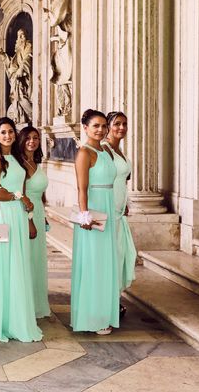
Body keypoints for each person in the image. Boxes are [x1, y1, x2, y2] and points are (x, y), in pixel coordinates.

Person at [0, 117, 42, 343]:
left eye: (11, 132)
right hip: (4, 214)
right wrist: (19, 196)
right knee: (5, 265)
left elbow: (23, 188)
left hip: (19, 214)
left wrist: (30, 219)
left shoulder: (17, 158)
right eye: (3, 132)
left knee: (19, 265)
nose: (8, 135)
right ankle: (2, 320)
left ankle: (18, 317)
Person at [71, 109, 120, 335]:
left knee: (105, 263)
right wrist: (84, 216)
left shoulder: (106, 150)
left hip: (109, 206)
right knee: (94, 264)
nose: (101, 130)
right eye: (95, 126)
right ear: (85, 128)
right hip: (93, 211)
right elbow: (82, 189)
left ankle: (104, 313)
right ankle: (92, 317)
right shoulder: (85, 153)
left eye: (103, 126)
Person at [104, 111, 137, 317]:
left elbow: (123, 181)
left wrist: (127, 202)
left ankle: (114, 300)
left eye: (125, 124)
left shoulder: (121, 151)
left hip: (120, 212)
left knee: (121, 257)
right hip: (108, 211)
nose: (121, 128)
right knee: (110, 259)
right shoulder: (105, 150)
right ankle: (108, 304)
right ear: (108, 126)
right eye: (117, 124)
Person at [16, 125, 51, 318]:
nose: (32, 141)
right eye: (28, 138)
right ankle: (25, 306)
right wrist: (30, 221)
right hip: (25, 214)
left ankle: (37, 304)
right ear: (21, 140)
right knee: (27, 260)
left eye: (36, 138)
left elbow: (41, 193)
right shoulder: (19, 164)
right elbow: (21, 194)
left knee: (37, 260)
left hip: (38, 212)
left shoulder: (37, 163)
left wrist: (43, 214)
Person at [0, 29, 33, 124]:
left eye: (22, 35)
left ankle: (32, 115)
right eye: (18, 36)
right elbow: (11, 63)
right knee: (16, 98)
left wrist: (21, 69)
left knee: (21, 97)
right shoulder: (18, 50)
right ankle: (22, 118)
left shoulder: (28, 46)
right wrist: (2, 54)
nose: (20, 38)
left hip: (23, 80)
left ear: (26, 36)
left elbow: (28, 59)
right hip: (15, 79)